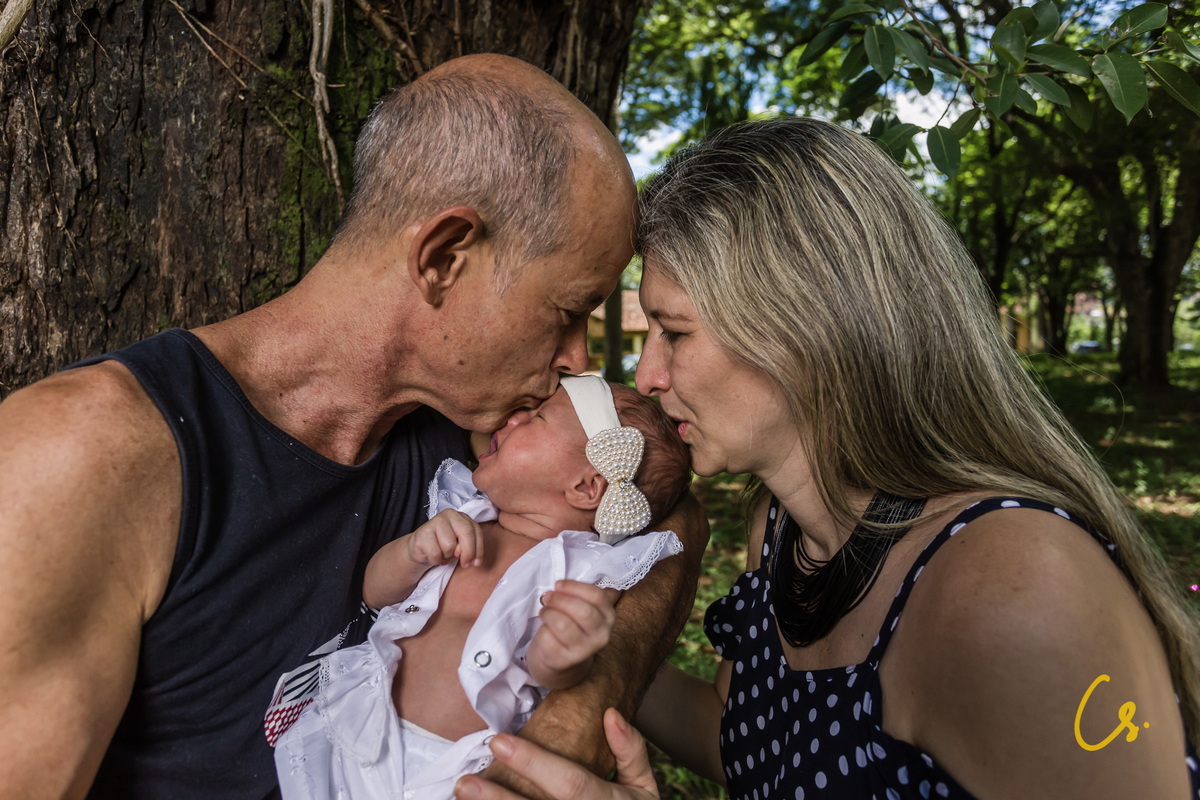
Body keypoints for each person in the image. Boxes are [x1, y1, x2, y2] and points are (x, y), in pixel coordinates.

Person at [0, 55, 708, 800]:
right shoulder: (81, 460)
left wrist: (566, 720)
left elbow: (666, 508)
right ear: (443, 257)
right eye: (568, 312)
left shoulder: (462, 426)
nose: (574, 361)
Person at [452, 116, 1200, 800]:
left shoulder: (1018, 592)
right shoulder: (780, 530)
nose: (647, 377)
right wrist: (574, 652)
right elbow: (741, 738)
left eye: (675, 334)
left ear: (802, 332)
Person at [270, 376, 692, 799]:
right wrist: (412, 552)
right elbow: (374, 596)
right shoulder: (464, 513)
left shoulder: (585, 570)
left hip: (453, 768)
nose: (514, 418)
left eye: (539, 417)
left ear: (585, 487)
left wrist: (561, 653)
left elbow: (552, 674)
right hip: (357, 724)